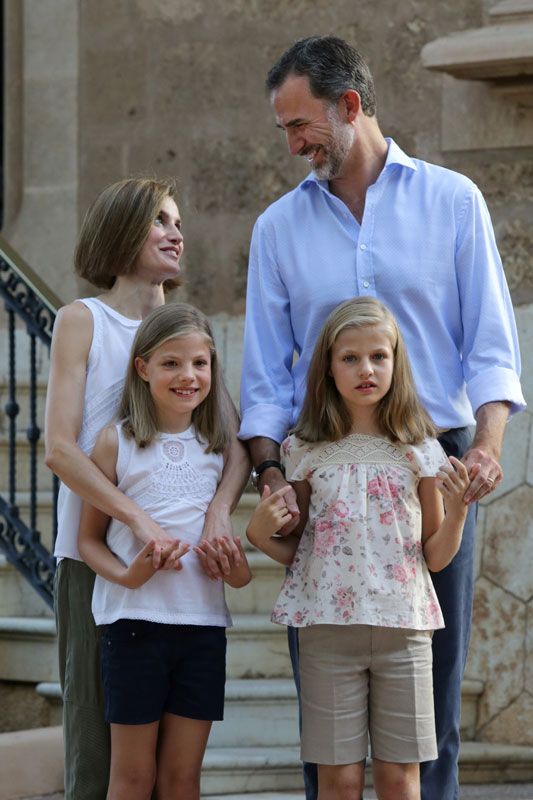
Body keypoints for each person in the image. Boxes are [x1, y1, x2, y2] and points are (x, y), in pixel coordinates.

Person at [239, 36, 525, 800]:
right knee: (324, 726)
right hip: (319, 472)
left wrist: (486, 449)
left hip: (435, 464)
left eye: (300, 125)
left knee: (431, 711)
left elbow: (491, 349)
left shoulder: (452, 200)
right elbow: (265, 378)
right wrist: (273, 479)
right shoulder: (275, 229)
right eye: (285, 130)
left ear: (350, 106)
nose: (293, 143)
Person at [45, 178, 250, 800]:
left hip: (184, 585)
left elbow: (232, 445)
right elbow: (59, 449)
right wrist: (135, 520)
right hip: (97, 562)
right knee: (98, 752)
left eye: (178, 221)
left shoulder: (186, 332)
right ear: (121, 230)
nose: (176, 232)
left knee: (174, 775)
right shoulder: (83, 320)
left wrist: (218, 514)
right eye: (160, 220)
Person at [247, 297, 470, 800]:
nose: (365, 369)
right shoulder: (302, 449)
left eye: (378, 356)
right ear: (327, 366)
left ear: (397, 362)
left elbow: (434, 557)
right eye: (349, 358)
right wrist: (258, 536)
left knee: (401, 781)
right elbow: (300, 549)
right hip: (328, 632)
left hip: (405, 631)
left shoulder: (422, 449)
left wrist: (457, 512)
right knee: (339, 782)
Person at [77, 302, 251, 800]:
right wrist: (128, 577)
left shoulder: (218, 448)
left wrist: (235, 567)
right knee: (133, 779)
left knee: (182, 780)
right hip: (132, 626)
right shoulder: (118, 443)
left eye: (200, 363)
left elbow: (236, 579)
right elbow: (88, 540)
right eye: (171, 363)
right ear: (143, 368)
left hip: (202, 631)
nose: (188, 376)